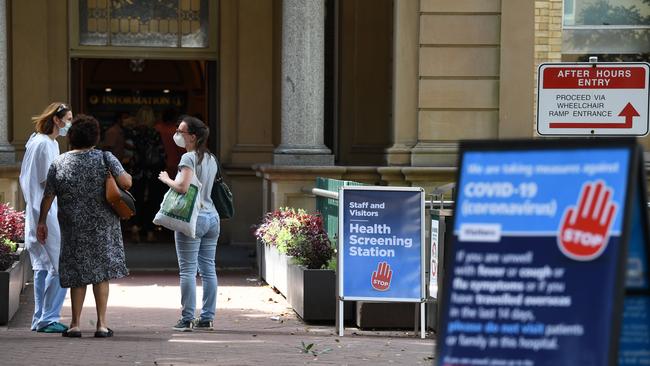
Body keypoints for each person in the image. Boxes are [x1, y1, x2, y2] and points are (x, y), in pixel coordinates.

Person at [36, 114, 132, 338]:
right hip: (102, 225)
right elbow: (126, 182)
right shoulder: (105, 158)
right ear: (96, 137)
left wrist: (42, 222)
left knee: (77, 274)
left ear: (71, 137)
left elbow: (48, 197)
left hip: (72, 226)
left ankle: (75, 324)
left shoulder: (59, 162)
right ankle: (101, 324)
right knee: (101, 274)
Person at [158, 115, 220, 331]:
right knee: (208, 269)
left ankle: (186, 318)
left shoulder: (188, 158)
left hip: (192, 218)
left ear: (192, 137)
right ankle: (207, 317)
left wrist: (166, 179)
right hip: (212, 217)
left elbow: (183, 187)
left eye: (181, 131)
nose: (177, 134)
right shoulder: (211, 158)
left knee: (187, 270)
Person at [18, 102, 72, 333]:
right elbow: (48, 181)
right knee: (62, 265)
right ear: (57, 120)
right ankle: (49, 317)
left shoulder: (38, 141)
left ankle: (40, 318)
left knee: (42, 266)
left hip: (36, 209)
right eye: (68, 118)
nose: (70, 123)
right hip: (46, 211)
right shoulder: (46, 144)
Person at [130, 106, 166, 242]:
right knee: (152, 201)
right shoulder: (154, 134)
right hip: (152, 172)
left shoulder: (133, 133)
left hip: (137, 172)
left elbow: (128, 153)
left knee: (136, 199)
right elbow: (162, 153)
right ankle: (150, 231)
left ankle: (135, 227)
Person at [155, 108, 184, 179]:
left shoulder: (156, 128)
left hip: (156, 165)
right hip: (174, 165)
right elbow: (182, 151)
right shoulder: (176, 132)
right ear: (175, 118)